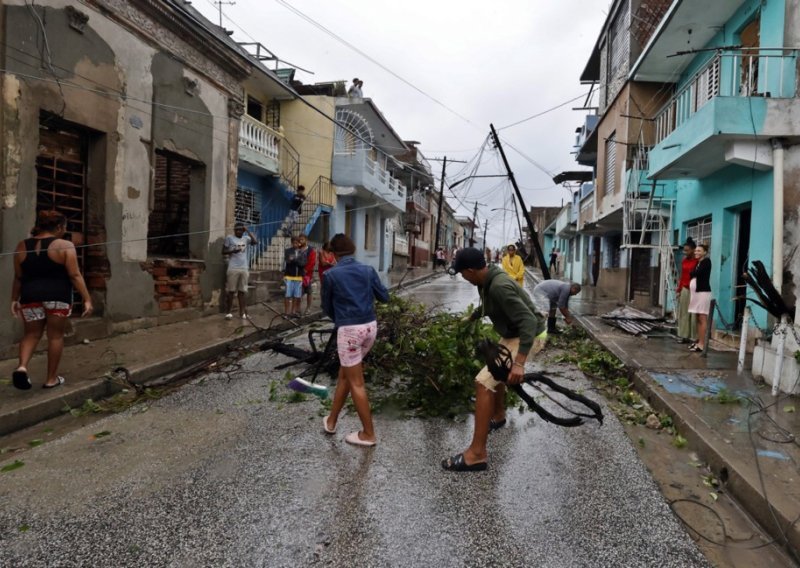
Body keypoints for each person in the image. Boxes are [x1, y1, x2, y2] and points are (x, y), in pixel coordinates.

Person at [442, 248, 545, 471]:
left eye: (462, 273)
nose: (462, 277)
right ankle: (497, 416)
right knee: (495, 369)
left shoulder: (499, 286)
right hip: (514, 333)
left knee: (483, 383)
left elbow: (528, 321)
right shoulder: (486, 282)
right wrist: (472, 316)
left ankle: (477, 454)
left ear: (470, 271)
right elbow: (489, 305)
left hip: (529, 334)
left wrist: (519, 363)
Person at [11, 210, 93, 390]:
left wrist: (14, 300)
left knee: (31, 335)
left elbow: (18, 277)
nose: (64, 230)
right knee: (55, 337)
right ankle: (51, 379)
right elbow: (74, 275)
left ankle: (22, 367)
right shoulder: (65, 245)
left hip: (30, 297)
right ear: (58, 227)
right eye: (64, 227)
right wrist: (87, 299)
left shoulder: (21, 246)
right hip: (58, 297)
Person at [321, 233, 389, 447]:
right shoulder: (368, 270)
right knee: (346, 375)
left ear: (332, 254)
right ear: (353, 250)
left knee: (356, 382)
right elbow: (384, 297)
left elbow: (326, 307)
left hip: (349, 331)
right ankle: (331, 421)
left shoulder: (331, 275)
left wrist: (341, 320)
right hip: (370, 327)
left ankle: (368, 434)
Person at [223, 222, 257, 320]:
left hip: (244, 268)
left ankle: (242, 313)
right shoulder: (229, 238)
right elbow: (223, 251)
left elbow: (255, 242)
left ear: (243, 231)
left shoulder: (246, 238)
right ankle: (228, 312)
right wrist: (233, 251)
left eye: (240, 230)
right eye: (237, 230)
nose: (238, 231)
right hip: (233, 267)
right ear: (234, 230)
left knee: (242, 291)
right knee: (231, 291)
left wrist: (248, 231)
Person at [688, 243, 712, 353]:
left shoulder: (706, 262)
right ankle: (699, 341)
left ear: (705, 252)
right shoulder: (698, 262)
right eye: (696, 251)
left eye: (699, 251)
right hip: (696, 294)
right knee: (698, 318)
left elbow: (695, 273)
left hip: (702, 293)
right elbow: (692, 273)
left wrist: (693, 273)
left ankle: (702, 344)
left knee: (702, 318)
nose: (696, 252)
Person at [676, 238, 698, 344]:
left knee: (694, 314)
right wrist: (679, 290)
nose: (685, 252)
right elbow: (682, 276)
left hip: (695, 290)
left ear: (693, 250)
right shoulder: (684, 261)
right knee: (684, 313)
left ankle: (694, 337)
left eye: (687, 250)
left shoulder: (698, 262)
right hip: (685, 289)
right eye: (684, 250)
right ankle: (684, 336)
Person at [283, 236, 303, 318]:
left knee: (296, 295)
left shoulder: (302, 252)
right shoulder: (288, 251)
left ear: (299, 243)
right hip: (289, 276)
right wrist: (296, 260)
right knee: (288, 295)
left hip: (298, 277)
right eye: (294, 243)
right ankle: (287, 313)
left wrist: (294, 259)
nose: (295, 244)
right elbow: (288, 261)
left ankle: (293, 312)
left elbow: (303, 263)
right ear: (292, 243)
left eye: (297, 243)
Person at [297, 234, 317, 315]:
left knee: (309, 292)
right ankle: (298, 309)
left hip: (308, 275)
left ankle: (308, 308)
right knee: (299, 292)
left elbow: (312, 262)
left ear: (306, 240)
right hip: (298, 274)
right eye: (300, 240)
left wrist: (305, 270)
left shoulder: (311, 250)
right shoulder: (298, 249)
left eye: (302, 239)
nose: (301, 241)